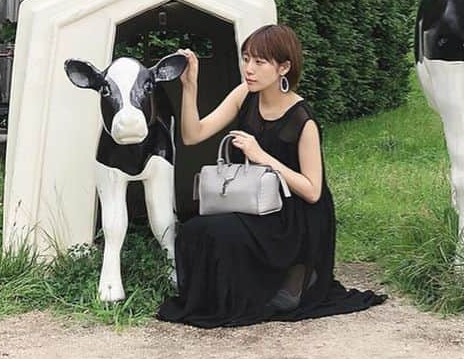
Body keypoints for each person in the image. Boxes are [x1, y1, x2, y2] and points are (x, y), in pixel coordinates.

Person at [157, 23, 385, 327]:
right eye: (246, 59)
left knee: (224, 232)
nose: (248, 69)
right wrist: (190, 86)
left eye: (259, 62)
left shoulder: (303, 119)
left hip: (293, 215)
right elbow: (192, 134)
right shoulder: (244, 96)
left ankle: (287, 280)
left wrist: (262, 156)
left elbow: (313, 190)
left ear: (283, 68)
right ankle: (225, 297)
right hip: (253, 203)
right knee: (197, 228)